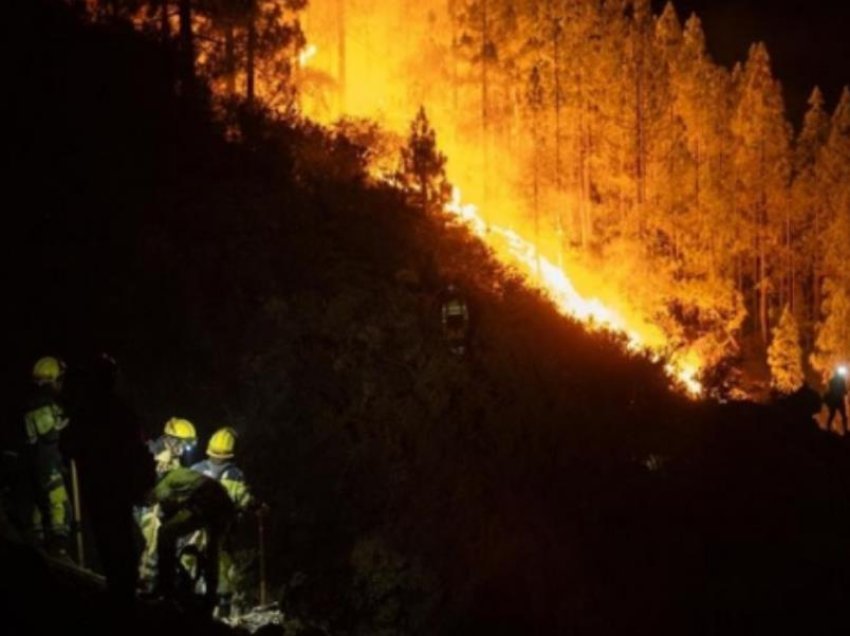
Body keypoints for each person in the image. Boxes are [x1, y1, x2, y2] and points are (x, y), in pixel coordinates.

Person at [63, 353, 154, 606]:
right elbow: (139, 450)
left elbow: (68, 445)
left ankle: (120, 593)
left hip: (99, 485)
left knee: (108, 538)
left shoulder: (86, 411)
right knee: (122, 538)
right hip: (117, 487)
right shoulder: (122, 412)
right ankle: (123, 593)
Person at [148, 467, 235, 615]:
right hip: (223, 502)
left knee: (165, 533)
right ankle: (210, 597)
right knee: (212, 552)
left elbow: (165, 504)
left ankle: (165, 586)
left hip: (205, 499)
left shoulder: (162, 486)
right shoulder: (180, 475)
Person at [191, 427, 254, 617]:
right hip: (221, 533)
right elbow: (244, 501)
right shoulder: (235, 475)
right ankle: (223, 616)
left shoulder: (196, 470)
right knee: (222, 571)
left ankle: (188, 610)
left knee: (189, 565)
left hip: (192, 531)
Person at [138, 416, 198, 591]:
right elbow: (140, 479)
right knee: (153, 540)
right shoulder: (151, 451)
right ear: (171, 440)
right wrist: (156, 465)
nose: (183, 450)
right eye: (182, 445)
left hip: (163, 509)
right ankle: (144, 582)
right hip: (144, 506)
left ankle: (161, 584)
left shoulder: (176, 462)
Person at [23, 356, 72, 557]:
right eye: (59, 379)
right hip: (46, 464)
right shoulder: (39, 404)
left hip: (43, 464)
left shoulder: (41, 402)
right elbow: (49, 433)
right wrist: (69, 421)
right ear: (50, 380)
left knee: (42, 507)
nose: (61, 384)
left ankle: (40, 545)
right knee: (60, 507)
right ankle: (58, 550)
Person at [441, 283, 470, 355]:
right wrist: (444, 322)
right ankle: (454, 349)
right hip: (452, 320)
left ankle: (460, 349)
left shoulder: (460, 300)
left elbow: (464, 310)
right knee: (453, 335)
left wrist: (466, 319)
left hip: (457, 319)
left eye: (452, 291)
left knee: (459, 335)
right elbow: (444, 312)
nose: (451, 293)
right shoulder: (447, 301)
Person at [824, 366, 848, 435]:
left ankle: (828, 428)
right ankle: (845, 430)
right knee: (843, 416)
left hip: (833, 401)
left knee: (832, 415)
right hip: (839, 400)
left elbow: (830, 389)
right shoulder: (841, 381)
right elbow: (844, 391)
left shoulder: (832, 381)